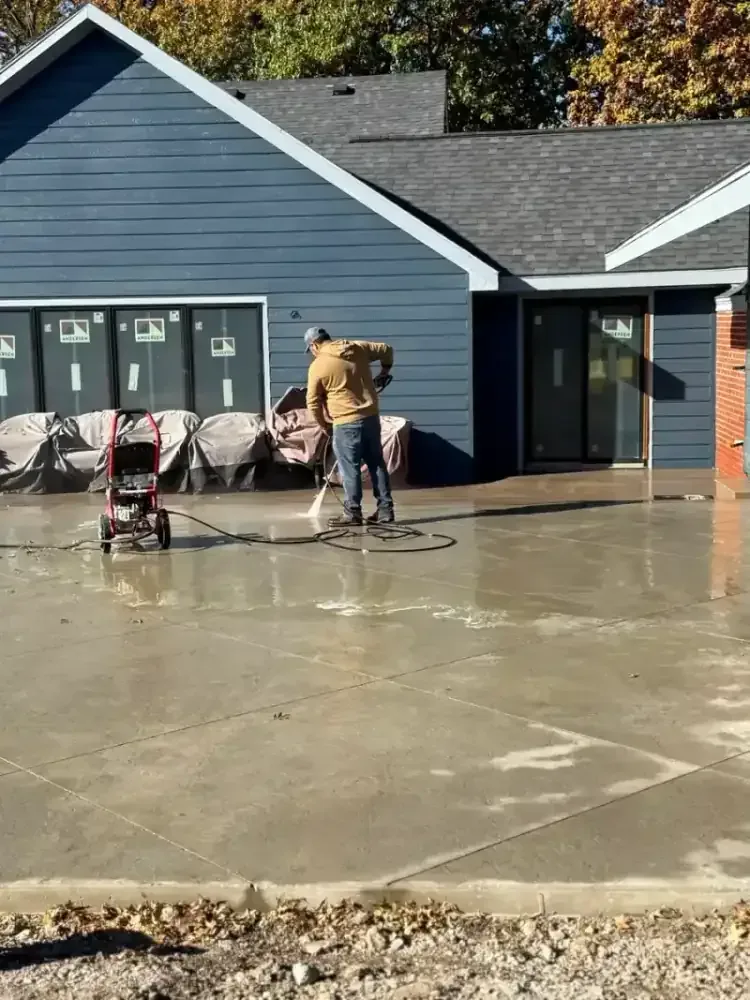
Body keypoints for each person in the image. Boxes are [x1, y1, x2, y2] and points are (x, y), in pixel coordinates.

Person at [305, 326, 395, 526]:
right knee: (376, 464)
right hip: (370, 417)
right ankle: (385, 511)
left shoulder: (318, 366)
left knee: (350, 469)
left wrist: (323, 425)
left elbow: (312, 402)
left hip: (345, 422)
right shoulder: (357, 348)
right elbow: (387, 349)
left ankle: (352, 513)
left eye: (310, 349)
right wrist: (384, 371)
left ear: (314, 345)